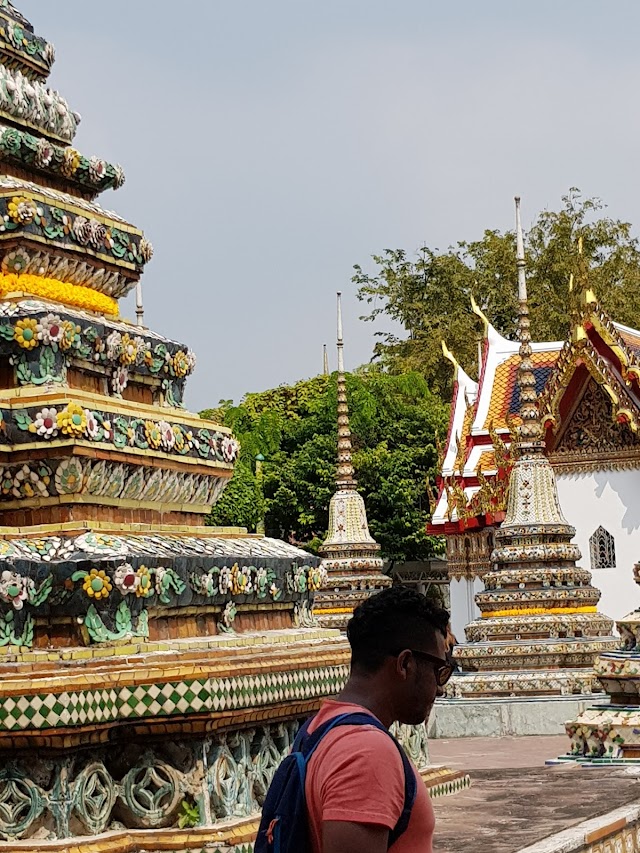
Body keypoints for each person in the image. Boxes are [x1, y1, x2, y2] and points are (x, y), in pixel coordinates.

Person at [305, 585, 452, 852]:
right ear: (405, 664)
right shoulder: (367, 753)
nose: (440, 688)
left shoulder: (321, 728)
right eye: (439, 670)